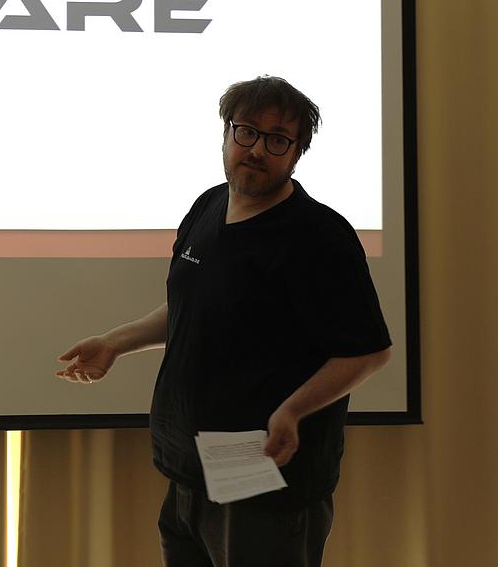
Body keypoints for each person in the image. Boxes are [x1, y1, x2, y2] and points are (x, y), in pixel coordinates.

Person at [56, 76, 392, 567]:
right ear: (227, 132)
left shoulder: (319, 237)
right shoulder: (208, 205)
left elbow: (368, 352)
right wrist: (115, 342)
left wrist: (293, 410)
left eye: (278, 139)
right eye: (247, 131)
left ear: (297, 153)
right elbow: (195, 307)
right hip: (188, 468)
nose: (256, 149)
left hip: (264, 477)